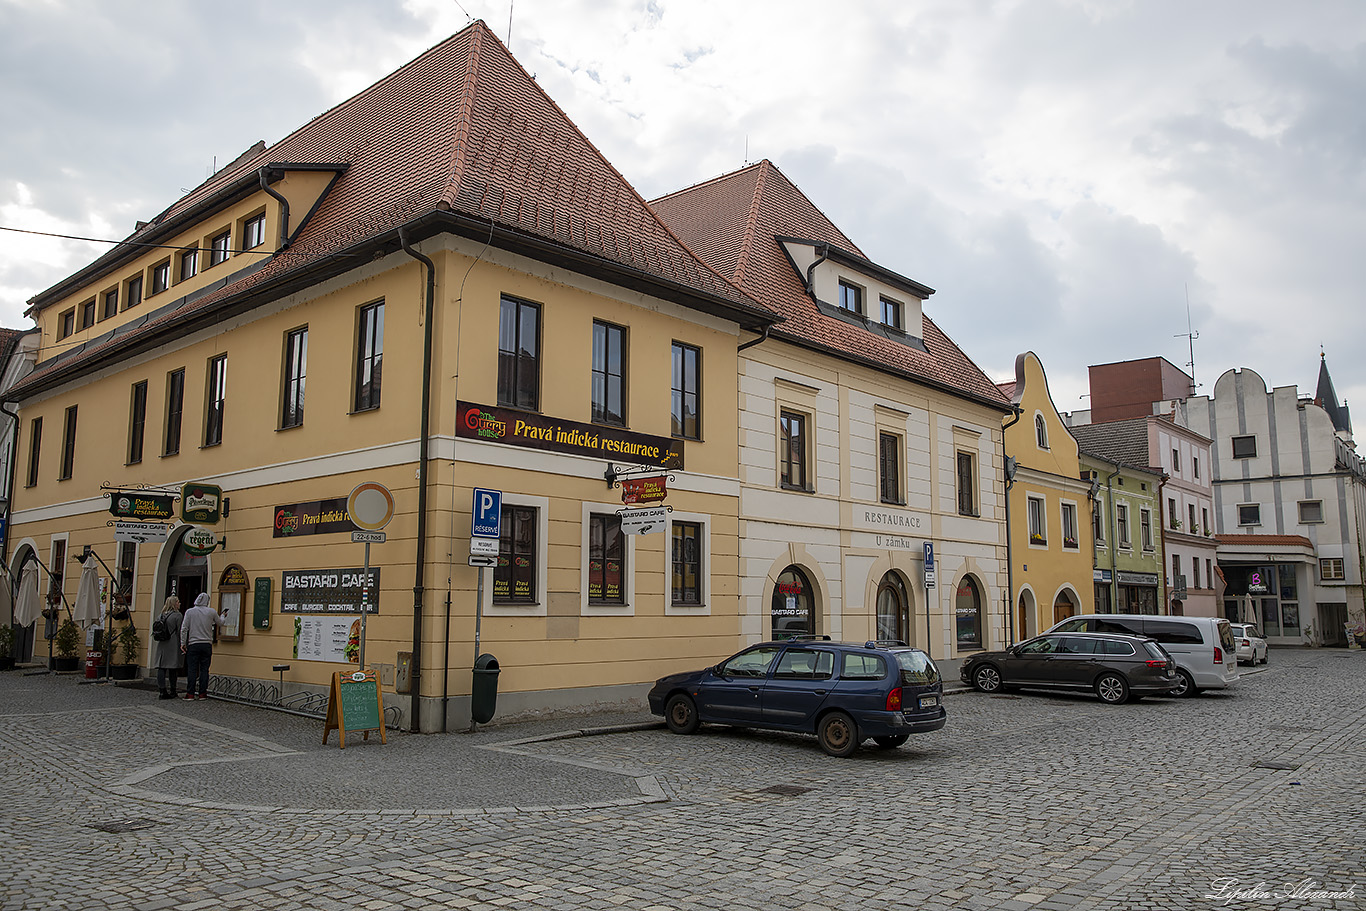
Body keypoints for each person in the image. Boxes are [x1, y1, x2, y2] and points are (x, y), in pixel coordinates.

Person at [180, 592, 225, 700]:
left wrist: (183, 643)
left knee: (192, 669)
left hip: (193, 643)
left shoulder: (190, 612)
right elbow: (220, 623)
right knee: (204, 669)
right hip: (206, 644)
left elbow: (184, 628)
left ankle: (190, 693)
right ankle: (202, 693)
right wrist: (223, 615)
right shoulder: (211, 612)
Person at [152, 596, 184, 699]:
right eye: (178, 602)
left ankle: (162, 690)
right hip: (172, 643)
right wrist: (183, 643)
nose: (180, 603)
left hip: (162, 643)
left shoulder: (161, 615)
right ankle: (173, 690)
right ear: (174, 604)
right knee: (172, 668)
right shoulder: (177, 615)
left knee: (161, 667)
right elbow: (180, 631)